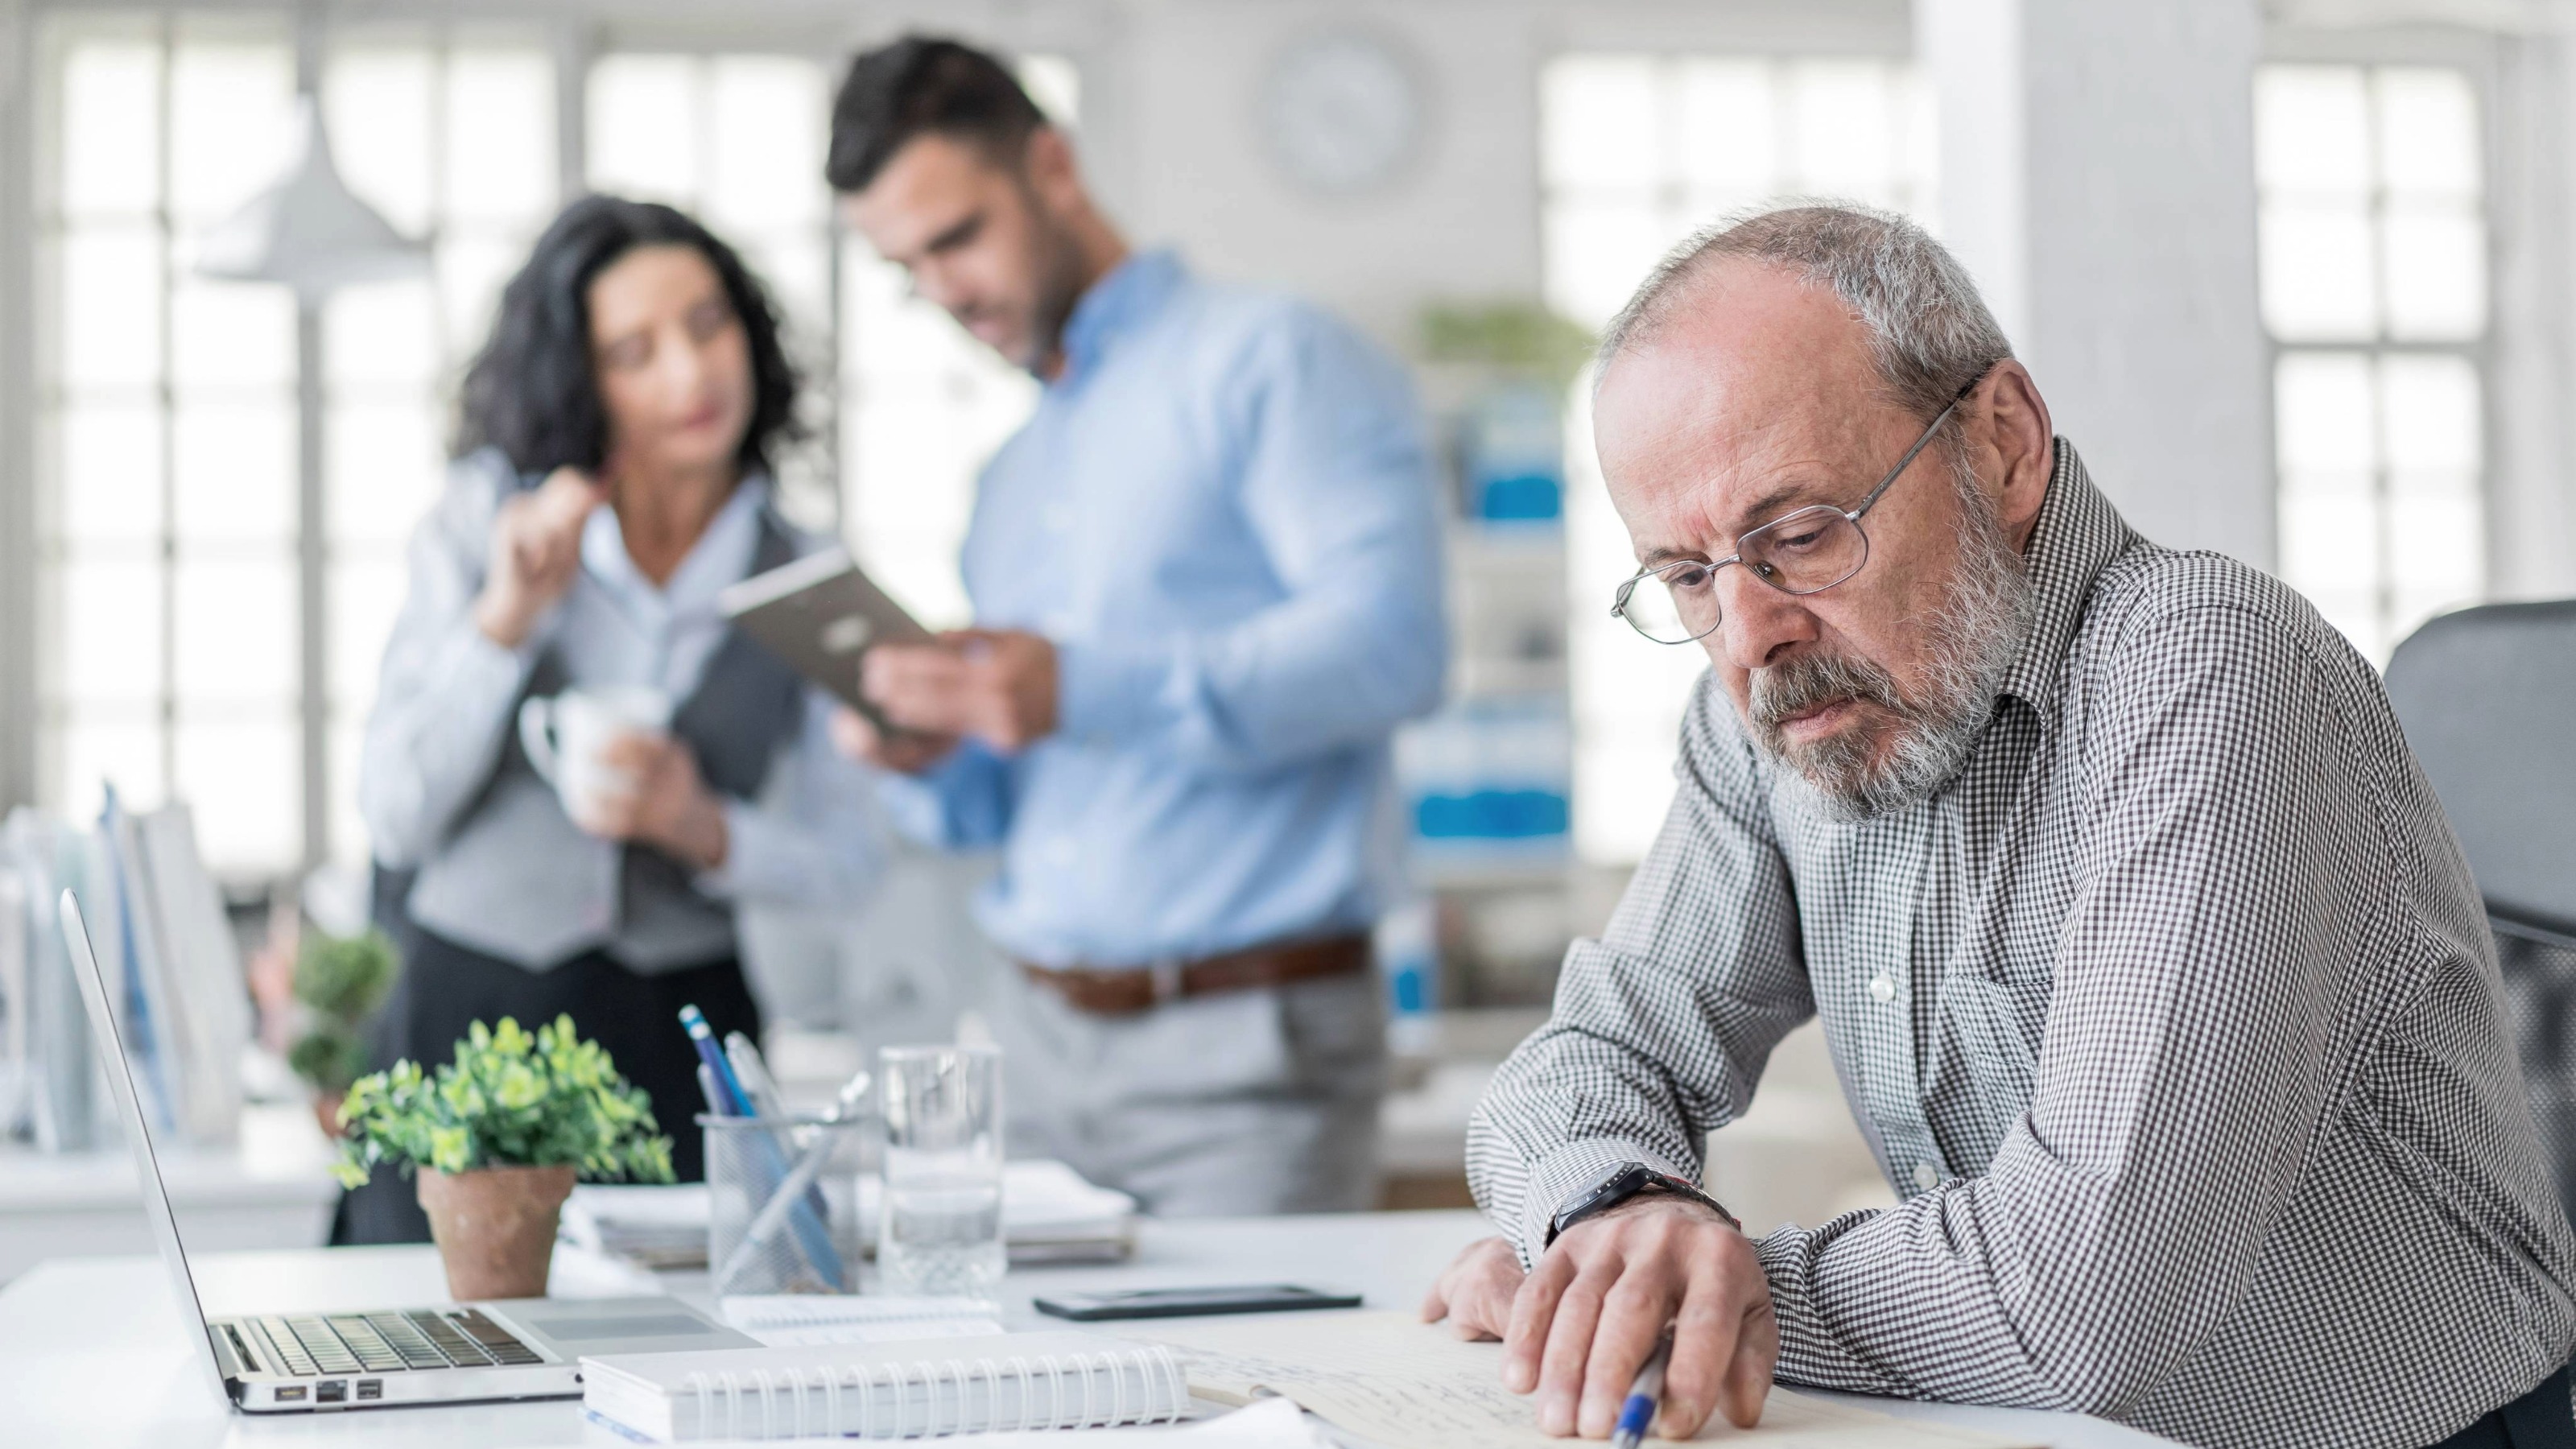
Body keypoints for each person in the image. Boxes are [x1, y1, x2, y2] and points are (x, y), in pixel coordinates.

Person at [1422, 204, 2576, 1449]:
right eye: (1689, 577)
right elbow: (1589, 1061)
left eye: (1801, 536)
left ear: (2005, 443)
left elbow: (2082, 1294)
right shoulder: (1782, 707)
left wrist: (1672, 1301)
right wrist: (1615, 1215)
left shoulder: (2211, 675)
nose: (1749, 636)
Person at [823, 37, 1445, 1216]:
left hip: (1246, 1066)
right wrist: (929, 754)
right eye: (907, 269)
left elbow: (1393, 644)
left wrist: (1076, 687)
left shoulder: (1273, 359)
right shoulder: (1008, 480)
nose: (944, 291)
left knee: (1261, 1349)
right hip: (1031, 1052)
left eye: (956, 238)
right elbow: (1023, 803)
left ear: (1051, 167)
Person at [354, 196, 880, 1226]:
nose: (691, 374)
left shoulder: (809, 575)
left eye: (707, 325)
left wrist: (707, 830)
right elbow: (394, 814)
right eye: (633, 352)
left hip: (682, 1038)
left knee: (692, 1313)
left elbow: (852, 862)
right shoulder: (483, 525)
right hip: (469, 1030)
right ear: (579, 381)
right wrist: (505, 621)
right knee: (441, 1317)